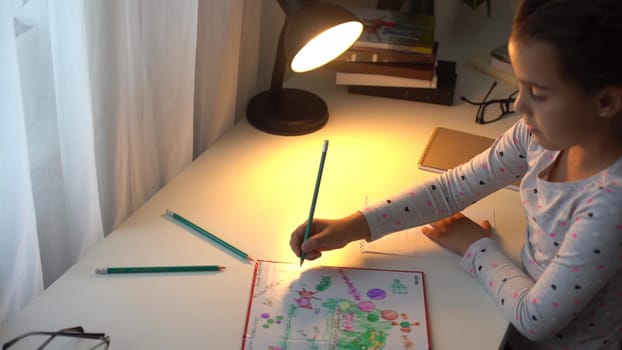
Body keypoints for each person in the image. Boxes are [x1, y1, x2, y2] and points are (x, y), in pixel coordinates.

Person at [289, 0, 622, 348]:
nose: (518, 106)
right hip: (521, 300)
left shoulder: (610, 205)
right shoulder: (542, 135)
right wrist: (355, 225)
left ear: (605, 102)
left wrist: (475, 248)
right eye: (519, 86)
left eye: (538, 93)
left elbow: (534, 319)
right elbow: (449, 190)